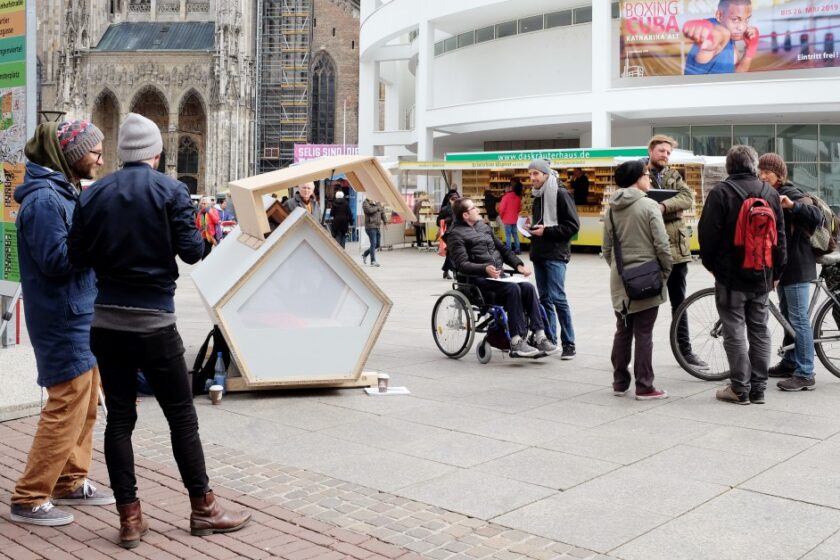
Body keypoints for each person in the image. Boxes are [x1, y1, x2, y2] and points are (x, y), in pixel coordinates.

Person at [69, 113, 250, 548]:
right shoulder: (171, 190)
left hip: (107, 321)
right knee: (181, 417)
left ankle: (130, 518)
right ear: (154, 153)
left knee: (120, 421)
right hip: (154, 322)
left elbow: (75, 257)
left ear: (120, 152)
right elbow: (191, 253)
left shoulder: (95, 195)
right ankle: (203, 508)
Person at [10, 119, 115, 527]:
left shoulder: (60, 193)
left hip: (78, 313)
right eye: (94, 152)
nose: (100, 160)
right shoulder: (42, 201)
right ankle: (30, 495)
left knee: (87, 404)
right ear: (72, 157)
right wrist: (96, 242)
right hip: (61, 318)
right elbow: (55, 260)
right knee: (66, 405)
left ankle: (70, 479)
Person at [698, 145, 786, 405]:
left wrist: (713, 266)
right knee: (759, 330)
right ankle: (758, 388)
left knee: (734, 330)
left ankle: (739, 388)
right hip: (762, 275)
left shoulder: (720, 193)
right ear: (754, 165)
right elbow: (780, 238)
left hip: (730, 276)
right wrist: (776, 272)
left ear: (729, 166)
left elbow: (707, 237)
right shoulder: (770, 193)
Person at [446, 197, 557, 357]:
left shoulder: (483, 227)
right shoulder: (455, 235)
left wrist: (518, 265)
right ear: (465, 215)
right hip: (478, 281)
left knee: (527, 287)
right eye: (473, 208)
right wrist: (485, 269)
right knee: (512, 289)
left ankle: (540, 336)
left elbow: (502, 249)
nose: (477, 210)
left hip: (497, 276)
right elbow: (462, 264)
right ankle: (516, 340)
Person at [602, 161, 673, 400]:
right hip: (646, 277)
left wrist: (620, 271)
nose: (649, 179)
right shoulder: (649, 205)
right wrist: (665, 271)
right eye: (646, 175)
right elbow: (662, 245)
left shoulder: (611, 208)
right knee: (644, 333)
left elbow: (607, 249)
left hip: (621, 279)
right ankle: (644, 385)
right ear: (636, 178)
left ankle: (620, 382)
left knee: (622, 331)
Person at [758, 153, 823, 391]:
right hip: (784, 267)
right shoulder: (767, 193)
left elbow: (816, 216)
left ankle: (806, 373)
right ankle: (789, 362)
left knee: (798, 320)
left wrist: (792, 205)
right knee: (788, 318)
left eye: (768, 172)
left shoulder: (792, 192)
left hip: (798, 266)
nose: (763, 175)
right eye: (761, 171)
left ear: (779, 174)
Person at [646, 135, 708, 369]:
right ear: (651, 150)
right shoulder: (639, 174)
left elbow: (688, 198)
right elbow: (639, 205)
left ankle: (686, 352)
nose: (665, 155)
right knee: (645, 304)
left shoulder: (674, 175)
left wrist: (662, 206)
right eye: (662, 151)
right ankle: (640, 352)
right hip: (650, 251)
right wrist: (673, 211)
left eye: (668, 152)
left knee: (679, 304)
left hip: (677, 252)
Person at [527, 159, 581, 360]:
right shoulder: (538, 196)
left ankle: (569, 343)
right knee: (545, 300)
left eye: (536, 174)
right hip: (539, 252)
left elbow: (573, 227)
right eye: (530, 174)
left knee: (558, 298)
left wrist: (546, 231)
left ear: (546, 174)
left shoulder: (560, 193)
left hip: (556, 253)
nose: (532, 178)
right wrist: (531, 229)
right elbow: (542, 224)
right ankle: (549, 341)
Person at [683, 0, 758, 74]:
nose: (742, 27)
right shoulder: (720, 30)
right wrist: (711, 38)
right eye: (735, 19)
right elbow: (720, 33)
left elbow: (735, 74)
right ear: (719, 16)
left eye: (747, 19)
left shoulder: (731, 33)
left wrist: (750, 50)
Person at [437, 191, 459, 279]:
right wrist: (446, 220)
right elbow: (438, 221)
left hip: (458, 232)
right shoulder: (445, 209)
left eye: (456, 198)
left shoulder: (460, 208)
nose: (454, 200)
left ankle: (446, 271)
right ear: (449, 199)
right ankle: (454, 271)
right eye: (453, 199)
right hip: (449, 234)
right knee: (452, 252)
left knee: (451, 253)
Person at [499, 180, 522, 254]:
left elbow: (501, 209)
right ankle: (518, 249)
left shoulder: (505, 197)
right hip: (515, 219)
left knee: (508, 235)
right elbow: (519, 209)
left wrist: (501, 217)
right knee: (515, 234)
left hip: (506, 219)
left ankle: (509, 250)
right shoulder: (518, 198)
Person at [361, 197, 385, 267]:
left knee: (377, 244)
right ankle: (373, 261)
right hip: (370, 226)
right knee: (373, 243)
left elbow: (382, 212)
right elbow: (369, 210)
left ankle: (365, 254)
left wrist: (385, 221)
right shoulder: (365, 203)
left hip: (377, 226)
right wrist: (377, 207)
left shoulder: (377, 202)